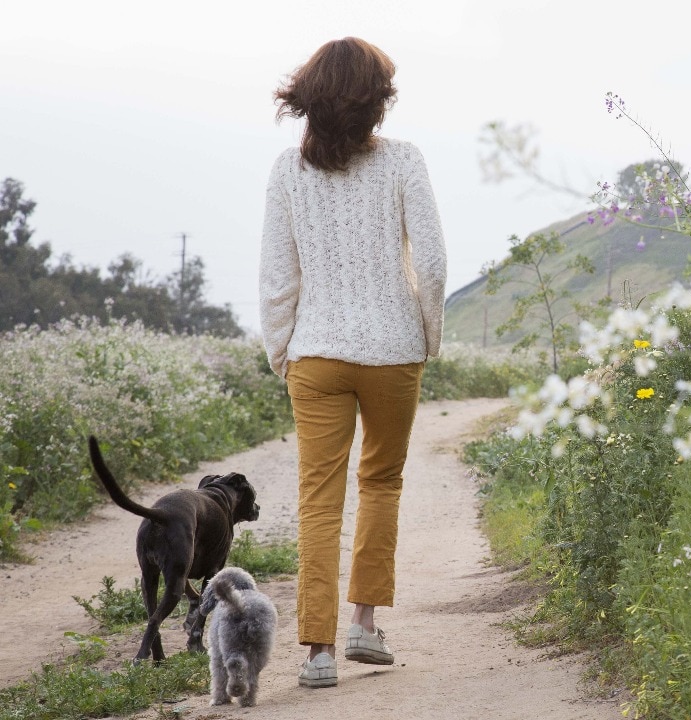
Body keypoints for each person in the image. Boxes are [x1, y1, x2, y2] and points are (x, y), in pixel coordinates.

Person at [259, 36, 446, 689]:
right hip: (393, 351)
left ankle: (317, 654)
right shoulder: (404, 162)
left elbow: (277, 278)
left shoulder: (288, 171)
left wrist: (282, 350)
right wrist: (427, 335)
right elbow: (433, 263)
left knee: (317, 502)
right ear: (377, 102)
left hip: (315, 354)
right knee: (382, 482)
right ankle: (365, 624)